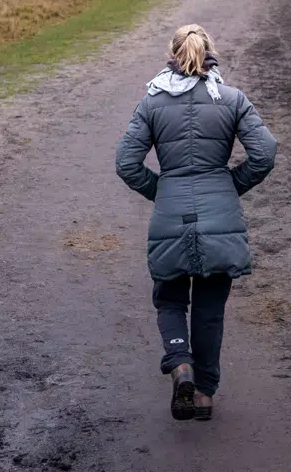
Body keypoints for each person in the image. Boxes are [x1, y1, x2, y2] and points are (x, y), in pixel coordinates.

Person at [115, 24, 277, 421]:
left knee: (170, 298)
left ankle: (179, 361)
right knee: (209, 311)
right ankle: (203, 395)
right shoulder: (233, 99)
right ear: (210, 54)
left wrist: (163, 193)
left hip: (172, 217)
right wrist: (228, 187)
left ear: (173, 53)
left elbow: (126, 163)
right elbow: (265, 153)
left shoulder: (151, 103)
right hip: (220, 216)